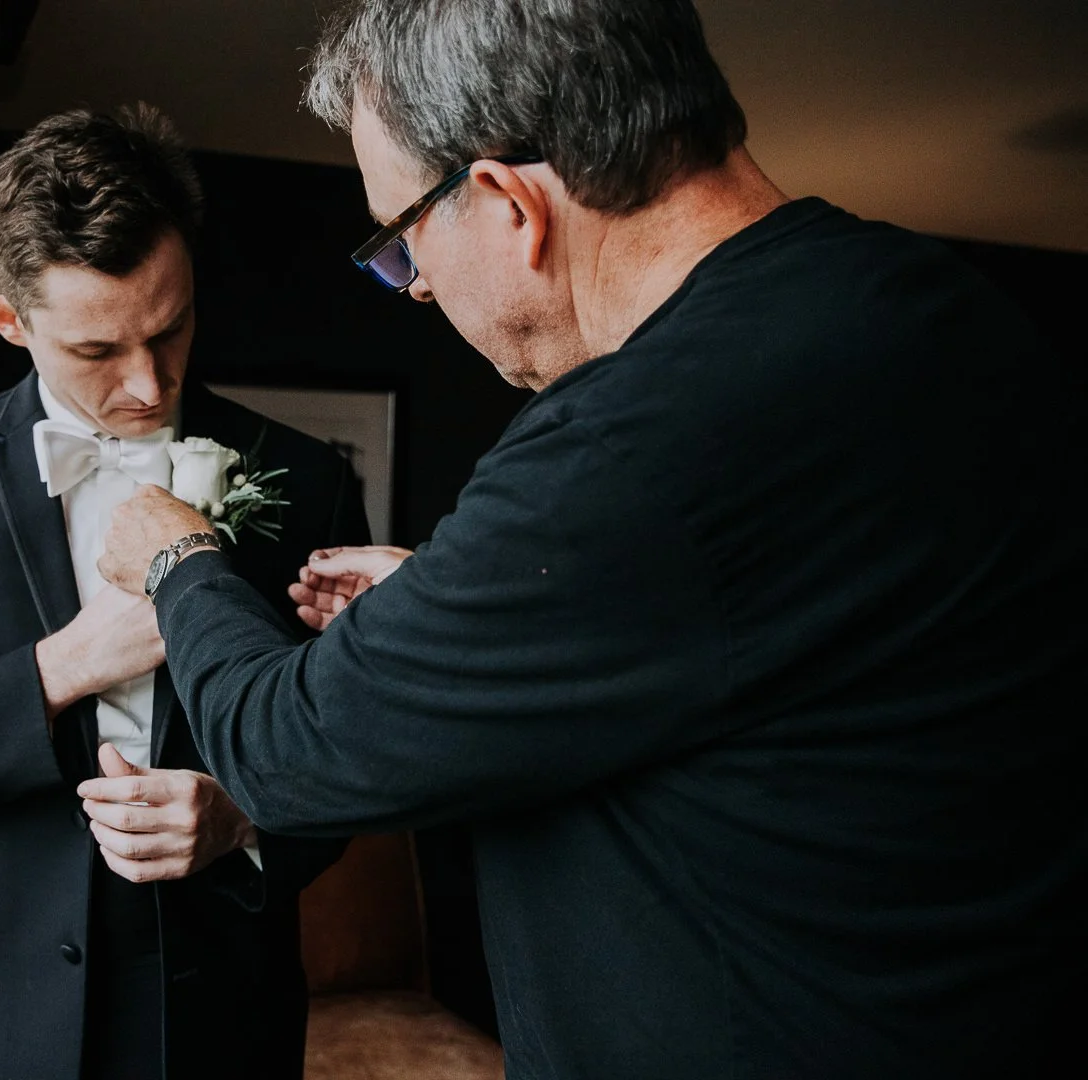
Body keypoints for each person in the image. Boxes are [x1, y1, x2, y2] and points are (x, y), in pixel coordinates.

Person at [94, 3, 1088, 1078]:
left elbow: (289, 754)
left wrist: (176, 556)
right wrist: (459, 603)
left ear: (509, 200)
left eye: (401, 241)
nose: (415, 286)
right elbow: (773, 637)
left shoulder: (634, 444)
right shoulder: (933, 308)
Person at [0, 105, 369, 1080]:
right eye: (99, 352)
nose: (148, 383)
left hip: (214, 1022)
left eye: (171, 327)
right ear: (6, 319)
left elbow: (356, 753)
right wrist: (63, 667)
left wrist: (244, 820)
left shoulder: (306, 479)